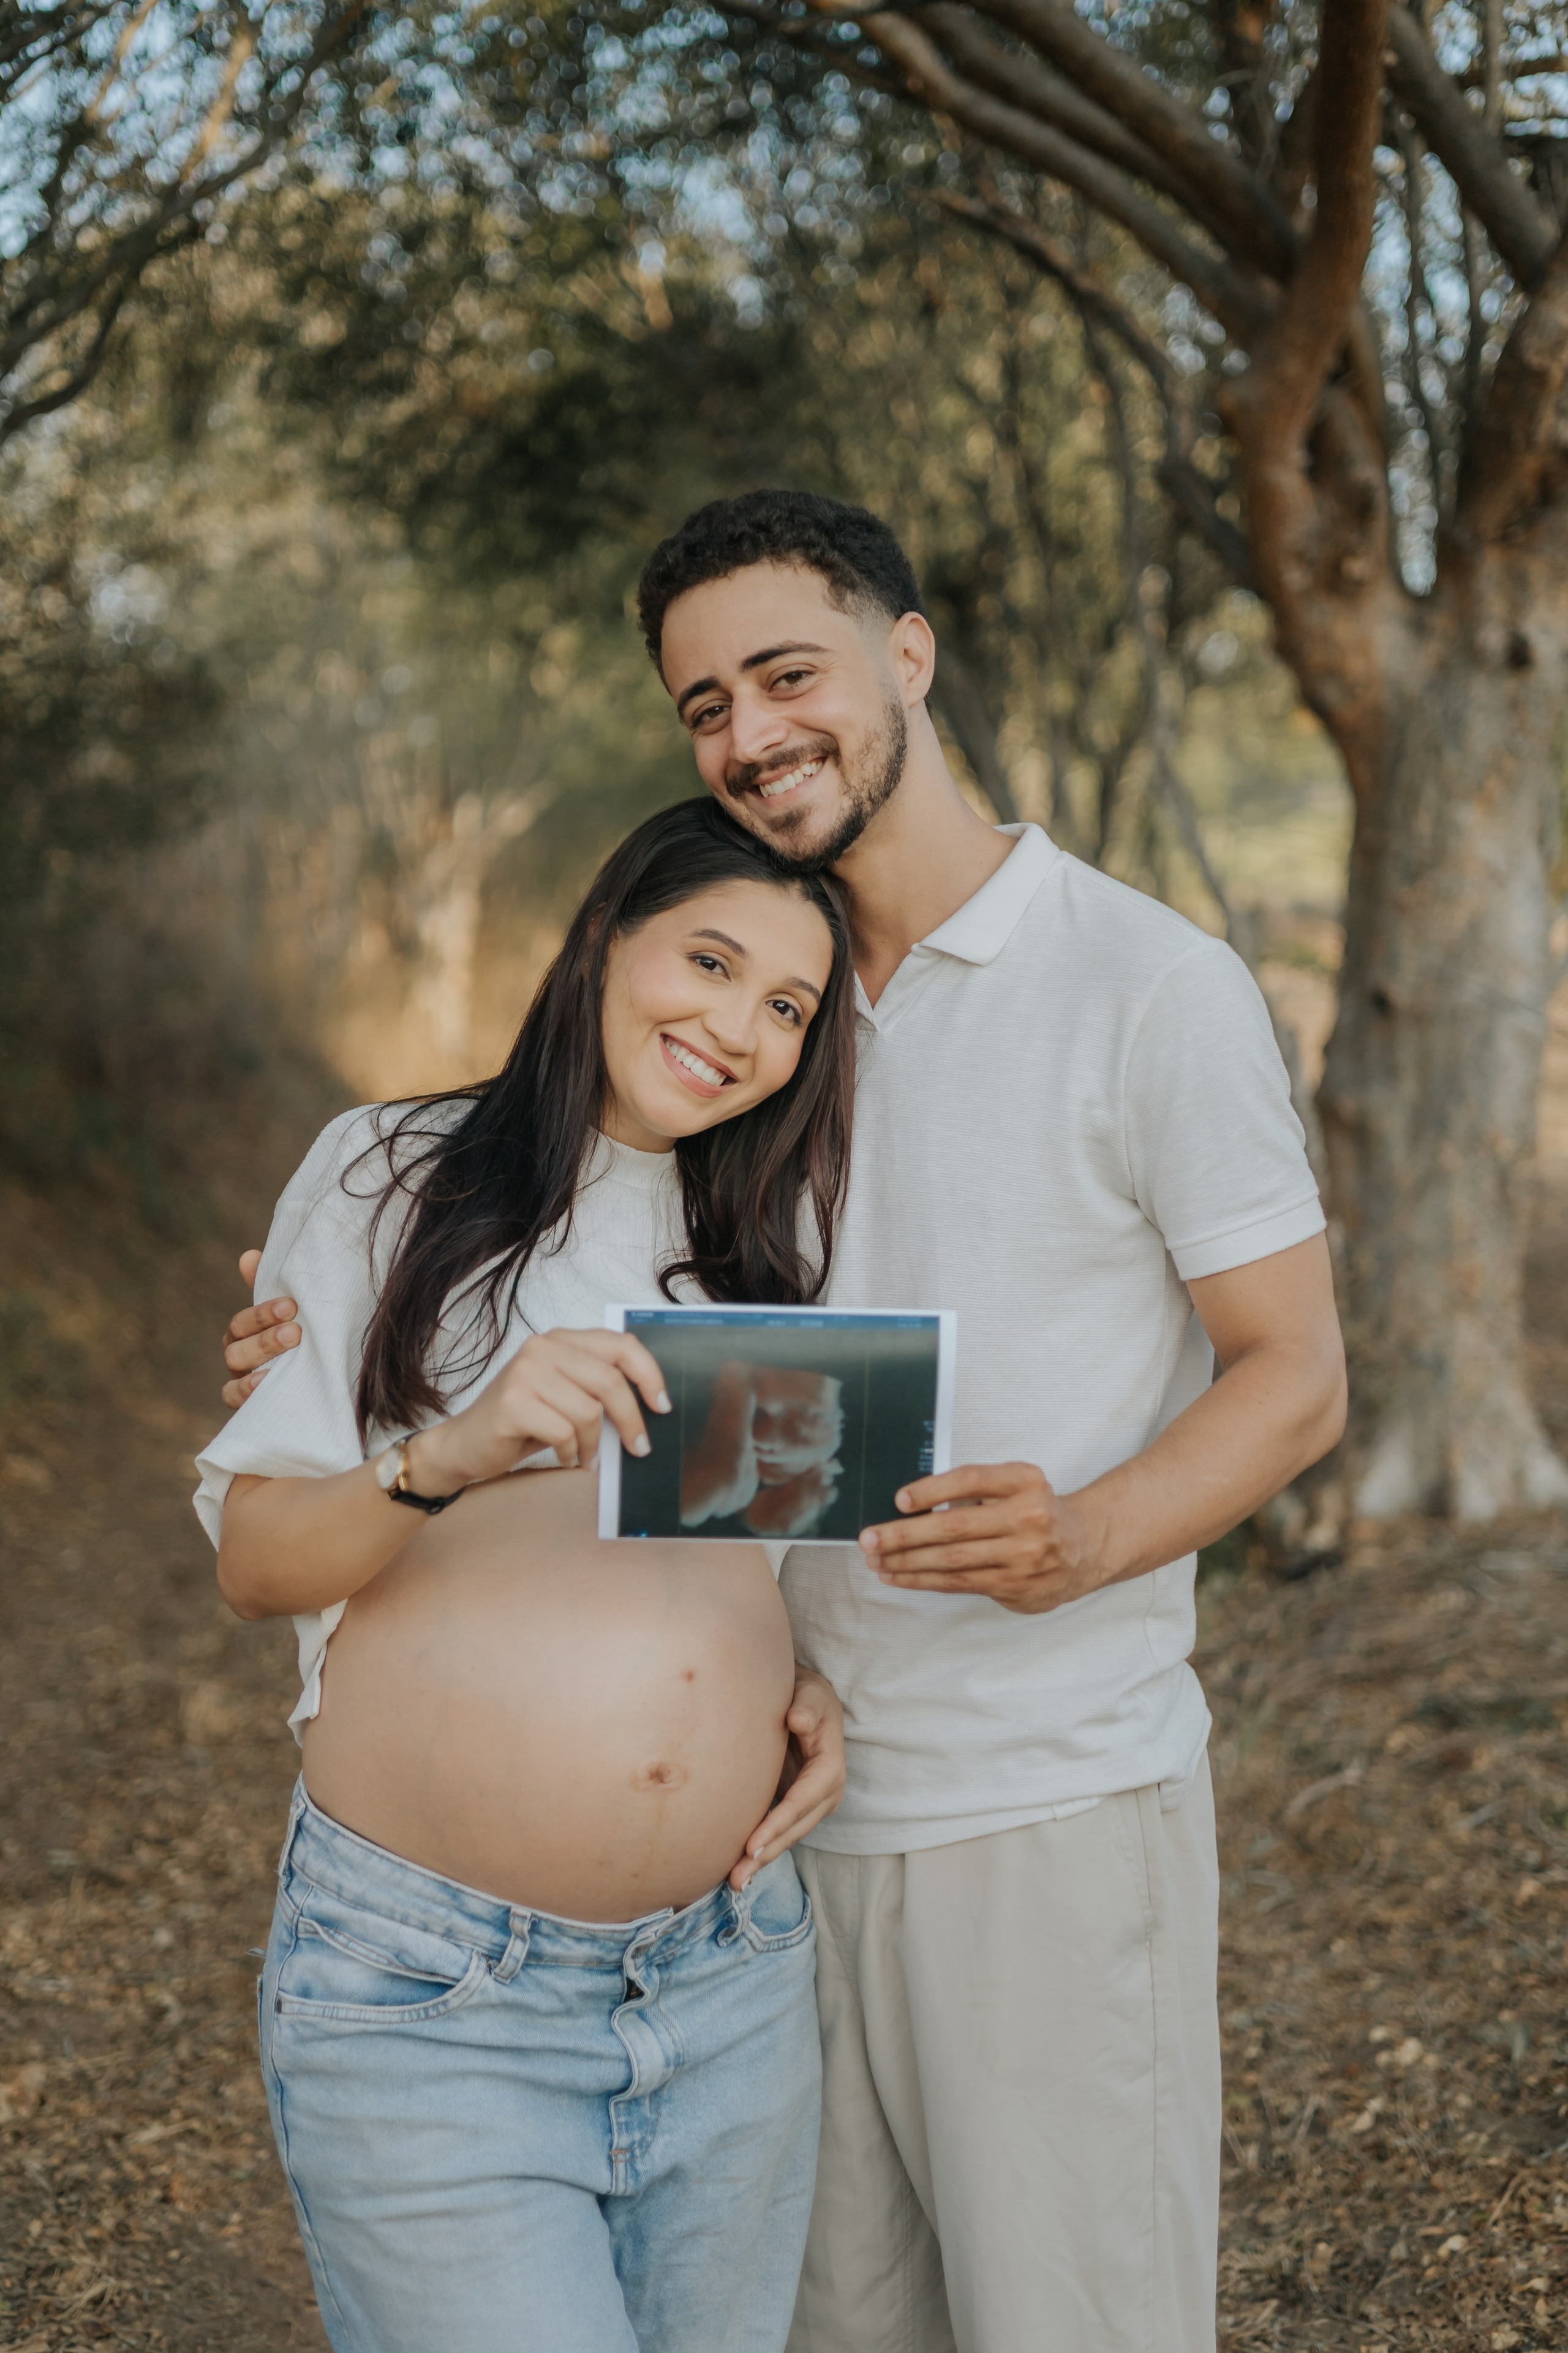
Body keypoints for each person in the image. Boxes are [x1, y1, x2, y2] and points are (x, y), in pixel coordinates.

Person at [226, 492, 1348, 2353]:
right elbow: (538, 1253)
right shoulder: (759, 1041)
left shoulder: (1148, 986)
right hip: (775, 1856)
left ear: (909, 654)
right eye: (705, 707)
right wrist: (330, 1316)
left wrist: (1086, 1536)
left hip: (1036, 1796)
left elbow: (1296, 1371)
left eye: (786, 676)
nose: (750, 735)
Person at [195, 798, 860, 2353]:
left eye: (786, 1008)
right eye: (709, 961)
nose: (737, 1029)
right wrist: (459, 1446)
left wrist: (793, 1683)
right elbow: (255, 1561)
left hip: (729, 1981)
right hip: (438, 1998)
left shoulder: (775, 1241)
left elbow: (726, 1568)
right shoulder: (390, 1176)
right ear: (606, 939)